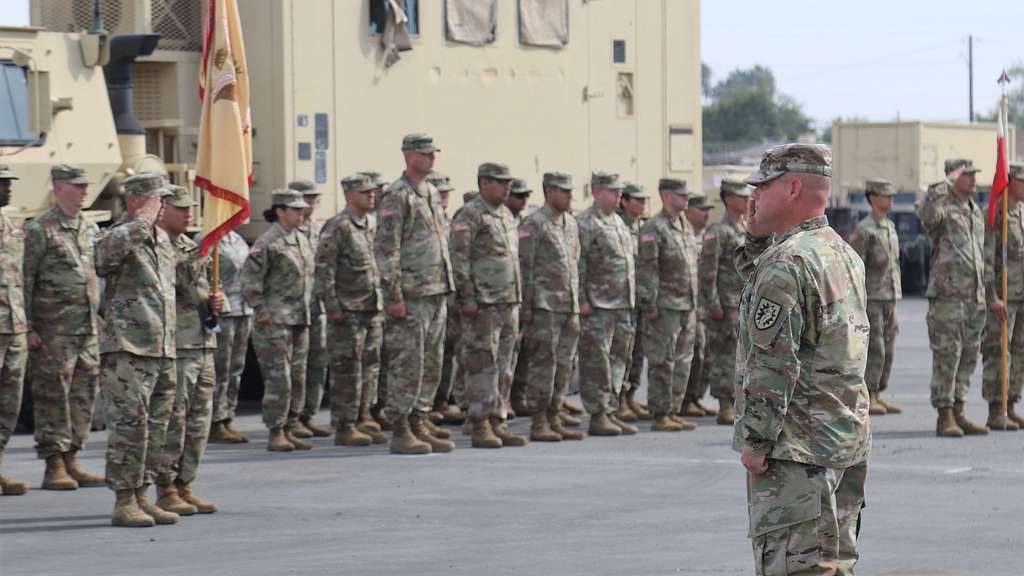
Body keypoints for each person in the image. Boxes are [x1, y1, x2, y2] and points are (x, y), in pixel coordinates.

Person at [734, 144, 870, 575]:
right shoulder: (841, 254)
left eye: (763, 187)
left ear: (792, 187)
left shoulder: (787, 263)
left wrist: (756, 442)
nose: (753, 198)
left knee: (795, 567)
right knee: (835, 565)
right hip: (842, 441)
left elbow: (774, 364)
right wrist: (755, 236)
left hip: (796, 453)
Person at [95, 172, 178, 527]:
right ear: (135, 201)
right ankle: (124, 499)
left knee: (157, 426)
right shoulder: (118, 234)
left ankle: (144, 494)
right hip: (128, 347)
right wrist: (140, 221)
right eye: (158, 199)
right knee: (130, 426)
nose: (164, 207)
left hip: (163, 346)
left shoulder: (163, 240)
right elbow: (102, 259)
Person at [23, 164, 103, 491]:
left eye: (85, 186)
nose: (84, 191)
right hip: (53, 329)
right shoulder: (40, 229)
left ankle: (72, 458)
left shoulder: (90, 228)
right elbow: (25, 280)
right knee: (53, 394)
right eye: (77, 186)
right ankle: (53, 462)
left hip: (87, 328)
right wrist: (28, 326)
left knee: (84, 394)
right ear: (58, 188)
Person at [374, 134, 455, 455]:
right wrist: (393, 295)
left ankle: (420, 419)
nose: (431, 158)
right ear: (408, 156)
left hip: (435, 289)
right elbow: (386, 249)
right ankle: (401, 428)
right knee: (408, 361)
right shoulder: (396, 196)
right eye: (424, 153)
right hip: (411, 292)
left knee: (431, 361)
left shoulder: (432, 192)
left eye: (433, 152)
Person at [153, 184, 223, 515]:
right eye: (180, 208)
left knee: (199, 421)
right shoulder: (158, 245)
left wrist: (215, 302)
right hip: (177, 346)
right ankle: (165, 486)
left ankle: (185, 483)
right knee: (174, 421)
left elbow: (199, 288)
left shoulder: (189, 245)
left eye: (189, 207)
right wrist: (207, 248)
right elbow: (179, 276)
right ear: (161, 209)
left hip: (202, 342)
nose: (188, 212)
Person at [449, 162, 524, 448]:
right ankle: (479, 422)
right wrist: (466, 297)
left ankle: (497, 419)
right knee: (483, 364)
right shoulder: (470, 214)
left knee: (505, 365)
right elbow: (459, 257)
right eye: (500, 182)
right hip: (482, 304)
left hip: (507, 301)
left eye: (509, 183)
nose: (507, 188)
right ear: (483, 183)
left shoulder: (506, 214)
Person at [917, 159, 989, 437]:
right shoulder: (941, 209)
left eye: (974, 174)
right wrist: (942, 185)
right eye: (966, 175)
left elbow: (983, 256)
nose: (972, 179)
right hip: (947, 296)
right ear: (952, 178)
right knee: (948, 355)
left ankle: (959, 410)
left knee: (969, 355)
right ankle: (944, 414)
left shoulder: (975, 211)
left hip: (975, 296)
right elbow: (926, 217)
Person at [315, 173, 386, 446]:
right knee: (347, 370)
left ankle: (363, 416)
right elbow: (324, 270)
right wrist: (332, 306)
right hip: (347, 310)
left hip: (371, 307)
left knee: (370, 367)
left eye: (372, 191)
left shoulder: (371, 224)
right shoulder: (338, 227)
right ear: (349, 195)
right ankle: (345, 425)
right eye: (364, 192)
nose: (371, 195)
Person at [242, 189, 315, 452]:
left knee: (297, 374)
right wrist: (261, 310)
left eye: (302, 209)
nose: (301, 213)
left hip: (299, 317)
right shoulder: (268, 242)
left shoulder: (301, 239)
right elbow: (249, 281)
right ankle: (275, 430)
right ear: (280, 212)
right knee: (278, 378)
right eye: (295, 210)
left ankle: (290, 424)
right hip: (274, 321)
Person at [518, 172, 584, 442]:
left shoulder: (571, 223)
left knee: (564, 365)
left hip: (568, 306)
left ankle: (555, 416)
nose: (569, 196)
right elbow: (525, 267)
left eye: (571, 191)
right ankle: (538, 420)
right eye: (563, 191)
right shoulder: (534, 224)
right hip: (544, 306)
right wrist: (527, 306)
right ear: (548, 191)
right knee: (543, 366)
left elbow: (575, 264)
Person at [577, 171, 638, 437]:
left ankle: (611, 409)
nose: (618, 197)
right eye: (613, 192)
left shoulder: (618, 222)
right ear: (596, 191)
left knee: (619, 359)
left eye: (620, 193)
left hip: (622, 302)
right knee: (597, 361)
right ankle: (597, 413)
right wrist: (581, 298)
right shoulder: (586, 223)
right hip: (599, 303)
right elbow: (578, 264)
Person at [637, 178, 699, 432]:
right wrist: (649, 304)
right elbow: (647, 269)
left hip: (687, 304)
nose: (686, 199)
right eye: (680, 195)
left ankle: (674, 408)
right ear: (665, 196)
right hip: (664, 305)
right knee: (663, 360)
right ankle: (660, 413)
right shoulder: (654, 228)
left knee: (683, 361)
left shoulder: (685, 226)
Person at [849, 178, 903, 416]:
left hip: (891, 296)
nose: (891, 199)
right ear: (872, 198)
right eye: (886, 195)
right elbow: (856, 267)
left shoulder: (889, 226)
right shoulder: (864, 229)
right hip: (872, 297)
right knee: (876, 348)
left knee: (889, 348)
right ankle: (868, 394)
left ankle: (879, 392)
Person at [699, 177, 750, 425]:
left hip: (742, 303)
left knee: (742, 355)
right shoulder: (717, 232)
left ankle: (739, 400)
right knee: (724, 356)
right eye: (742, 197)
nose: (748, 200)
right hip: (725, 304)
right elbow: (708, 271)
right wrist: (713, 303)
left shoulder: (745, 229)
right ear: (729, 199)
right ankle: (724, 404)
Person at [981, 162, 1024, 430]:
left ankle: (1011, 403)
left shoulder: (1020, 213)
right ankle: (996, 408)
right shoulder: (997, 214)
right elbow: (987, 260)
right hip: (1004, 296)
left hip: (1021, 294)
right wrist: (992, 296)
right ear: (1010, 182)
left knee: (1019, 352)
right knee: (999, 352)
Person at [292, 180, 331, 439]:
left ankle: (310, 413)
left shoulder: (320, 230)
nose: (311, 204)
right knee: (296, 365)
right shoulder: (285, 232)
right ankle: (292, 417)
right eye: (306, 199)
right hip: (294, 308)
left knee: (318, 361)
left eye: (314, 199)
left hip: (317, 306)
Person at [207, 228, 253, 444]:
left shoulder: (237, 239)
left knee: (236, 368)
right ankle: (214, 420)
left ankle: (227, 417)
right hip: (224, 311)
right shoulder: (208, 238)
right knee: (220, 368)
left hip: (243, 309)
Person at [0, 164, 29, 496]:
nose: (7, 188)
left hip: (15, 326)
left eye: (9, 183)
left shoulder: (12, 226)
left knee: (9, 402)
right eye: (2, 183)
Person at [427, 171, 464, 425]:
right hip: (431, 295)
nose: (444, 197)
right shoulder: (426, 221)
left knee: (448, 352)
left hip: (451, 294)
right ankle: (426, 405)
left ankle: (442, 399)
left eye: (446, 193)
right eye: (439, 193)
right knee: (430, 352)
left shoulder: (449, 222)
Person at [679, 190, 717, 419]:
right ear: (689, 212)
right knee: (688, 356)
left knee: (702, 355)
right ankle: (683, 400)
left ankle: (693, 397)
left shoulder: (702, 237)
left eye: (708, 211)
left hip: (700, 306)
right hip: (684, 304)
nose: (706, 215)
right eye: (702, 210)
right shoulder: (684, 236)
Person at [616, 182, 651, 421]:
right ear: (625, 202)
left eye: (643, 200)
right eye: (636, 200)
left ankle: (629, 396)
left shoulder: (642, 227)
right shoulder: (618, 225)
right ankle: (617, 400)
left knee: (637, 352)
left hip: (638, 298)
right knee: (621, 354)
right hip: (619, 299)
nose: (641, 204)